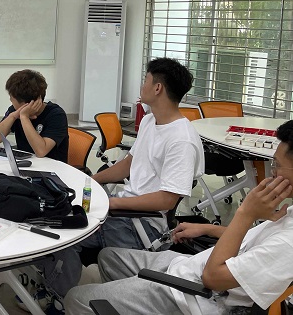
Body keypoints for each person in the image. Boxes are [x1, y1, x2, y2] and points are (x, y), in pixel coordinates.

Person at [65, 119, 293, 315]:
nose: (271, 172)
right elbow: (253, 243)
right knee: (108, 257)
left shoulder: (288, 244)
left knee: (76, 298)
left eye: (277, 165)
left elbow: (212, 278)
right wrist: (208, 229)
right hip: (191, 266)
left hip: (195, 295)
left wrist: (245, 213)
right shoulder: (290, 215)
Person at [38, 58, 205, 310]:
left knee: (66, 235)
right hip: (123, 212)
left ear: (157, 88)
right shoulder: (150, 121)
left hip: (141, 225)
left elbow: (166, 199)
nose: (142, 85)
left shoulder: (181, 140)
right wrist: (92, 180)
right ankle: (57, 292)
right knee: (58, 218)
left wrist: (112, 203)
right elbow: (128, 164)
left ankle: (60, 301)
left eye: (146, 80)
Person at [0, 69, 68, 162]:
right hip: (26, 165)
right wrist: (13, 116)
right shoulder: (14, 111)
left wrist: (24, 117)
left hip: (50, 168)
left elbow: (41, 152)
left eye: (12, 98)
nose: (10, 99)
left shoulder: (56, 115)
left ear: (25, 104)